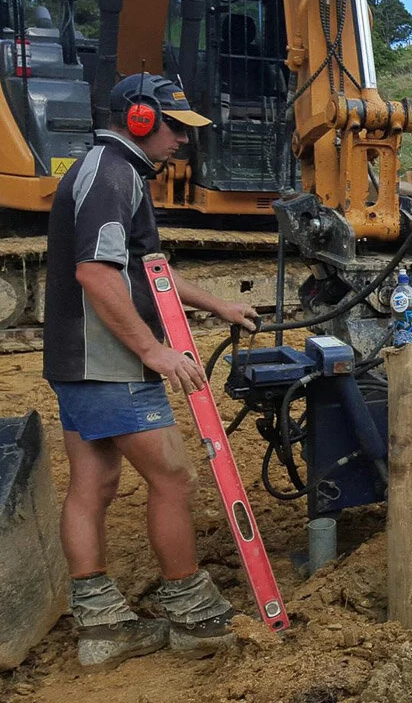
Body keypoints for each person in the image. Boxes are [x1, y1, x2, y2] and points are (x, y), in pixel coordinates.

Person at [42, 73, 260, 669]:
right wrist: (153, 351)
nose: (181, 144)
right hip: (108, 363)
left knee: (94, 484)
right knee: (174, 478)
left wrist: (215, 303)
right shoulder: (111, 176)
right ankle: (192, 611)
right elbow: (96, 274)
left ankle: (101, 628)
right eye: (174, 129)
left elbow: (141, 271)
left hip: (81, 361)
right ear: (139, 119)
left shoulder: (112, 172)